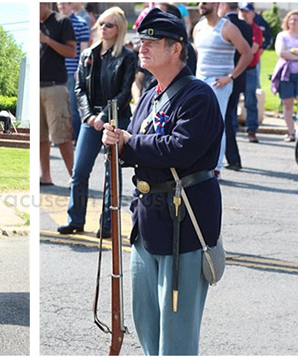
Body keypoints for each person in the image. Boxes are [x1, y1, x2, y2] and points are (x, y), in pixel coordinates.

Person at [102, 8, 223, 354]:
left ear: (177, 49)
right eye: (142, 40)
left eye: (153, 41)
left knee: (177, 334)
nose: (143, 47)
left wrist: (129, 142)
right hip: (149, 221)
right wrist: (115, 143)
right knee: (147, 326)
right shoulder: (150, 95)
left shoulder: (198, 95)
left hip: (184, 223)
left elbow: (180, 149)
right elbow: (135, 148)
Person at [57, 6, 136, 238]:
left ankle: (109, 224)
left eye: (109, 25)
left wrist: (104, 117)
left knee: (112, 174)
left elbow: (125, 92)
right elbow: (80, 88)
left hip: (116, 119)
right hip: (90, 120)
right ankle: (75, 219)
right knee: (79, 171)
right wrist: (90, 116)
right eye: (101, 23)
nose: (103, 28)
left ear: (119, 28)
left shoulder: (127, 57)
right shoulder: (88, 54)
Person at [193, 1, 252, 177]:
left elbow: (247, 53)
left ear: (216, 3)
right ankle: (201, 164)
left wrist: (231, 77)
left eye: (205, 1)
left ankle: (216, 167)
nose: (201, 4)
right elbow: (198, 55)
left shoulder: (227, 27)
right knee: (198, 125)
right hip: (200, 81)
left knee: (217, 125)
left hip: (220, 83)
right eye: (199, 2)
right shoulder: (199, 27)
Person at [40, 2, 76, 186]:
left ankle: (74, 176)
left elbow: (71, 52)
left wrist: (47, 40)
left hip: (55, 86)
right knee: (40, 136)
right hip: (37, 85)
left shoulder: (61, 22)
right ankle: (45, 176)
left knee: (61, 134)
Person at [218, 2, 253, 170]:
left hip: (224, 77)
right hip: (238, 78)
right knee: (228, 118)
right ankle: (232, 158)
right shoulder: (246, 27)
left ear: (224, 6)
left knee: (223, 120)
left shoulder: (225, 25)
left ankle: (232, 158)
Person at [57, 2, 90, 141]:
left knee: (72, 107)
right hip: (55, 72)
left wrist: (80, 69)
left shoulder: (81, 23)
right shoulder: (54, 23)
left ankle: (74, 136)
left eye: (65, 3)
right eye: (59, 4)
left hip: (71, 71)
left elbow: (84, 50)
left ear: (72, 5)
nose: (62, 6)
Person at [271, 10, 298, 142]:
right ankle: (291, 132)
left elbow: (288, 52)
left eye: (296, 19)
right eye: (291, 19)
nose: (293, 22)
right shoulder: (282, 36)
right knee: (288, 104)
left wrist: (293, 52)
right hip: (286, 75)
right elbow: (281, 52)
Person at [238, 2, 263, 143]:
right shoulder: (234, 27)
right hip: (236, 69)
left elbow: (252, 49)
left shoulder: (256, 30)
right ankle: (232, 128)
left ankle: (251, 130)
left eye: (247, 11)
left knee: (250, 100)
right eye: (242, 10)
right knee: (232, 100)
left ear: (253, 13)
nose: (244, 13)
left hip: (249, 70)